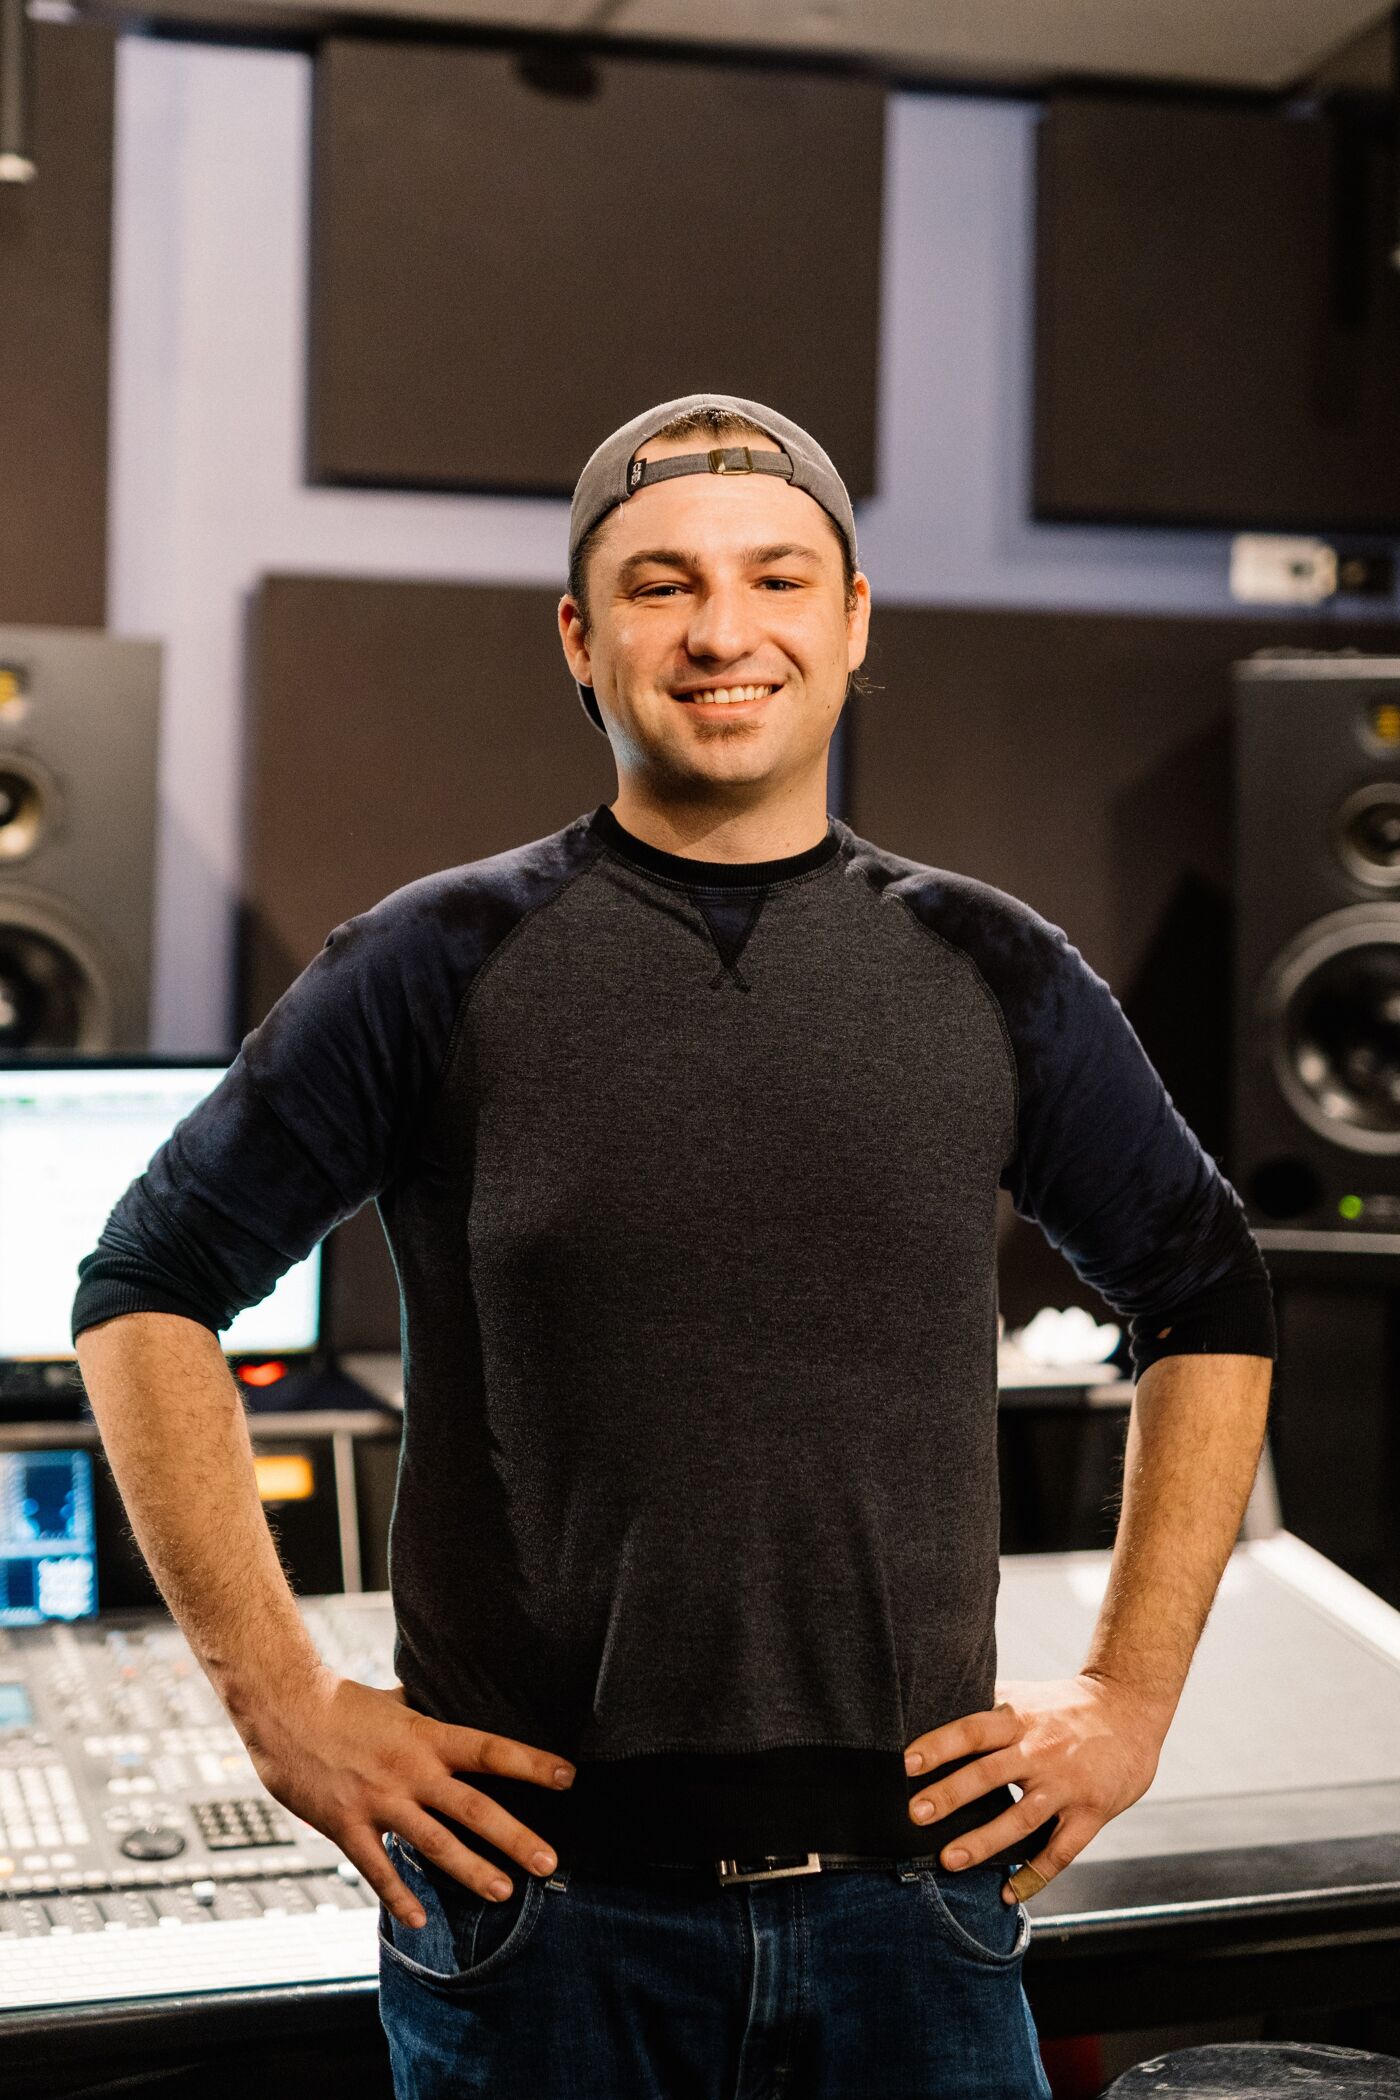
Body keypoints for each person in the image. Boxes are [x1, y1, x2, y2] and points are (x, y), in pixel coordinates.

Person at [73, 392, 1277, 2099]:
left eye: (778, 578)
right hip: (533, 1926)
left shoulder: (992, 970)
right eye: (660, 586)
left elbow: (1207, 1289)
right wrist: (280, 1702)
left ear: (853, 624)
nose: (724, 632)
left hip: (914, 1921)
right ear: (581, 638)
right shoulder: (432, 962)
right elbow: (144, 1286)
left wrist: (1129, 1698)